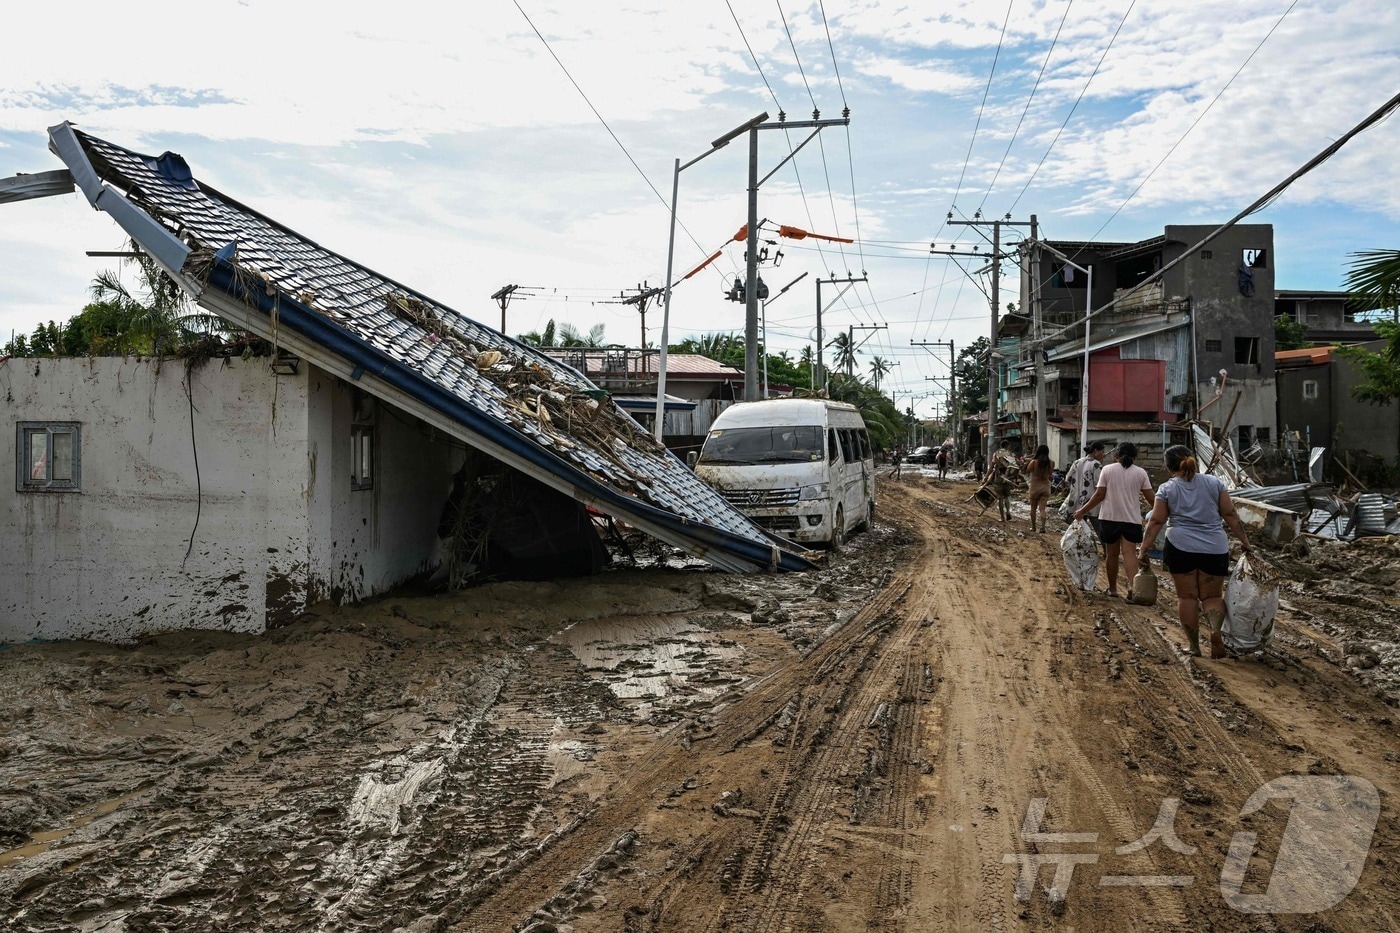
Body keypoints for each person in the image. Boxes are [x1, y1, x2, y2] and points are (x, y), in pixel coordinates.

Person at [1138, 445, 1253, 658]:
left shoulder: (1166, 489)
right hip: (1215, 547)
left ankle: (1194, 646)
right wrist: (1245, 542)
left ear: (1168, 466)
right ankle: (1216, 633)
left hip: (1181, 547)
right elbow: (1230, 513)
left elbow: (1156, 521)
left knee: (1187, 597)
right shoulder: (1215, 483)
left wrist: (1144, 548)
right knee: (1212, 596)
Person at [1072, 442, 1153, 599]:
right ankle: (1133, 588)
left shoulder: (1107, 470)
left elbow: (1099, 495)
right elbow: (1151, 498)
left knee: (1112, 554)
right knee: (1129, 554)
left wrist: (1082, 511)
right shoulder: (1141, 473)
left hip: (1109, 518)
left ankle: (1113, 589)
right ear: (1135, 457)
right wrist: (1163, 514)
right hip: (1132, 519)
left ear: (1116, 455)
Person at [1064, 441, 1107, 534]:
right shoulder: (1096, 464)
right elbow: (1100, 485)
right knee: (1100, 531)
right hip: (1091, 503)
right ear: (1096, 451)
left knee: (1077, 532)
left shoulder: (1077, 462)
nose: (1103, 454)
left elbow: (1068, 479)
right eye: (1102, 452)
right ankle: (1106, 549)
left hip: (1076, 502)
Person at [1024, 444, 1054, 533]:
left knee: (1033, 508)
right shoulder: (1051, 462)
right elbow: (1050, 475)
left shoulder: (1034, 462)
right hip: (1045, 487)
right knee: (1042, 509)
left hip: (1035, 487)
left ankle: (1033, 528)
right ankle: (1043, 528)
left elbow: (1027, 471)